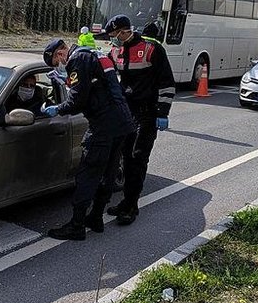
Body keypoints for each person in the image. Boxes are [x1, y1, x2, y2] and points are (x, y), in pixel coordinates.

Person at [40, 38, 134, 240]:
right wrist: (67, 81)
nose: (60, 66)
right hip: (121, 122)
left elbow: (78, 100)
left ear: (60, 53)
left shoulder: (77, 59)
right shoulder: (92, 54)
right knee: (108, 172)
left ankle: (76, 225)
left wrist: (58, 108)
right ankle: (96, 217)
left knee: (87, 174)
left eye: (57, 62)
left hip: (103, 125)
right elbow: (96, 86)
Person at [104, 14, 175, 225]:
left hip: (147, 113)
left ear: (125, 31)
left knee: (137, 159)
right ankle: (126, 201)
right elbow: (105, 71)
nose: (113, 39)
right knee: (126, 158)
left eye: (115, 35)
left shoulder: (151, 49)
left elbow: (167, 82)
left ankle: (131, 207)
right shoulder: (115, 51)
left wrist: (162, 113)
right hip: (127, 112)